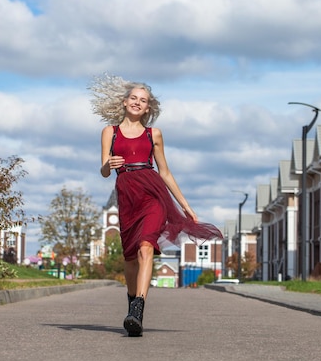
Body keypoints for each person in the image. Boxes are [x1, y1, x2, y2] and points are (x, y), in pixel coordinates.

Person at [91, 74, 223, 337]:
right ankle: (132, 307)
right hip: (127, 195)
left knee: (145, 248)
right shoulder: (110, 132)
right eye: (134, 98)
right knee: (130, 257)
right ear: (124, 101)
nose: (138, 103)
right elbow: (104, 170)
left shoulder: (154, 134)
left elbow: (165, 172)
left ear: (148, 108)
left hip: (153, 194)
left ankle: (138, 308)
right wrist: (110, 164)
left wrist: (184, 205)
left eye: (144, 100)